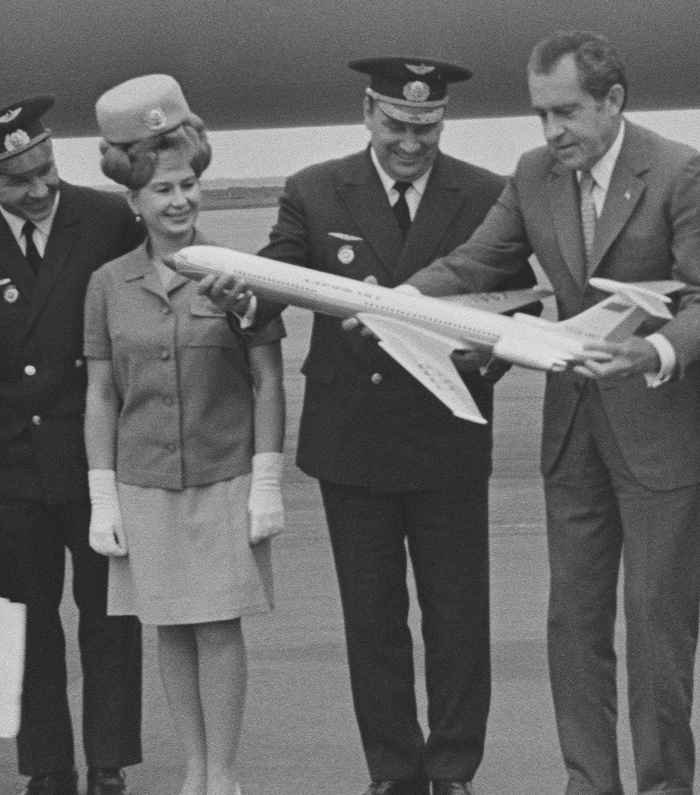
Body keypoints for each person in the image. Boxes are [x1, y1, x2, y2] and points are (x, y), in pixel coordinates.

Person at [409, 30, 700, 795]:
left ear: (614, 102)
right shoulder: (534, 174)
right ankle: (588, 782)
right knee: (573, 626)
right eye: (540, 114)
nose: (552, 132)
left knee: (656, 628)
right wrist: (401, 300)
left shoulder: (678, 172)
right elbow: (480, 261)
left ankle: (662, 786)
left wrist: (653, 354)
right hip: (573, 436)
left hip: (658, 431)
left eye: (567, 112)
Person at [226, 57, 536, 795]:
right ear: (368, 112)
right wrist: (242, 300)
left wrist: (491, 357)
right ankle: (394, 773)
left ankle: (454, 768)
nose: (410, 142)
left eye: (426, 127)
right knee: (373, 622)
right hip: (353, 442)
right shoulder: (316, 190)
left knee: (458, 619)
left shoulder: (485, 195)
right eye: (396, 123)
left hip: (446, 433)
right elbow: (278, 275)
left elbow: (520, 299)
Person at [82, 74, 287, 795]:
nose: (179, 202)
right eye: (162, 190)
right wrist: (102, 493)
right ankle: (193, 769)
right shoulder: (108, 283)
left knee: (218, 626)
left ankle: (223, 776)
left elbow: (268, 377)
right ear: (133, 201)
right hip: (145, 482)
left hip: (223, 476)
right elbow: (102, 392)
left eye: (187, 185)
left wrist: (267, 479)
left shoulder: (238, 274)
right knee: (168, 627)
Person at [0, 97, 146, 795]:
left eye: (45, 170)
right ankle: (48, 766)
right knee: (27, 621)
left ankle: (109, 761)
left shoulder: (108, 221)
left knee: (109, 618)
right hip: (13, 467)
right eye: (16, 180)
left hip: (97, 461)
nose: (37, 190)